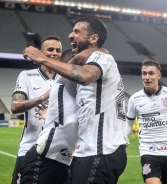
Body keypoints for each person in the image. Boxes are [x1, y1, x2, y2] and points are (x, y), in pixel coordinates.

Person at [23, 17, 129, 184]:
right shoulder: (96, 65)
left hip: (100, 151)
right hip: (86, 152)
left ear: (94, 38)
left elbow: (84, 76)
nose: (70, 35)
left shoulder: (104, 60)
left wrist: (43, 58)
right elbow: (67, 81)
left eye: (77, 32)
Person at [11, 35, 62, 184]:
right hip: (29, 147)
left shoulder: (67, 79)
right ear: (40, 52)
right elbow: (15, 106)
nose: (55, 53)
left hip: (59, 152)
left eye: (58, 50)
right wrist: (42, 97)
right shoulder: (27, 76)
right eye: (50, 49)